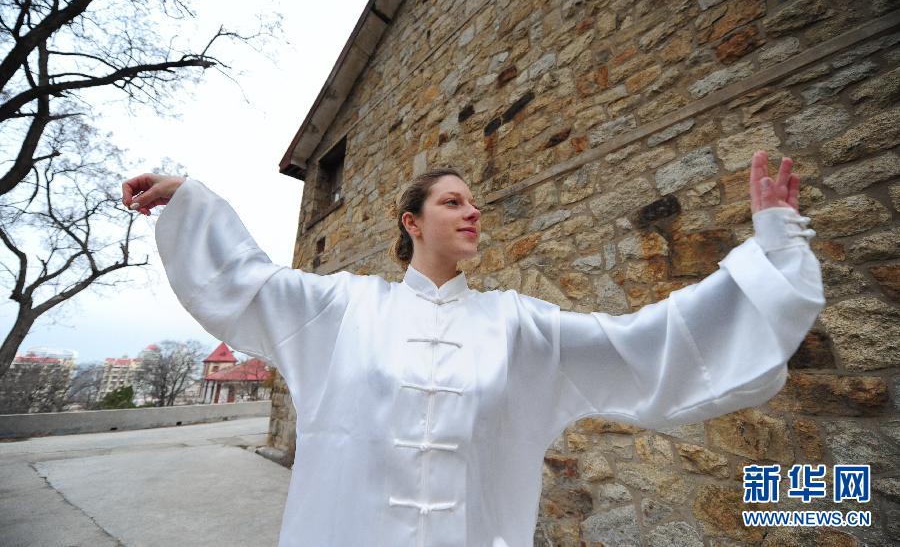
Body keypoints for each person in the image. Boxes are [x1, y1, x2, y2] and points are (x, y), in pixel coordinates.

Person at [121, 150, 825, 547]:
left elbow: (643, 342)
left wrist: (772, 250)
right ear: (412, 222)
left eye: (473, 202)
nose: (472, 211)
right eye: (453, 201)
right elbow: (246, 281)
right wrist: (190, 199)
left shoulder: (517, 325)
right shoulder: (343, 308)